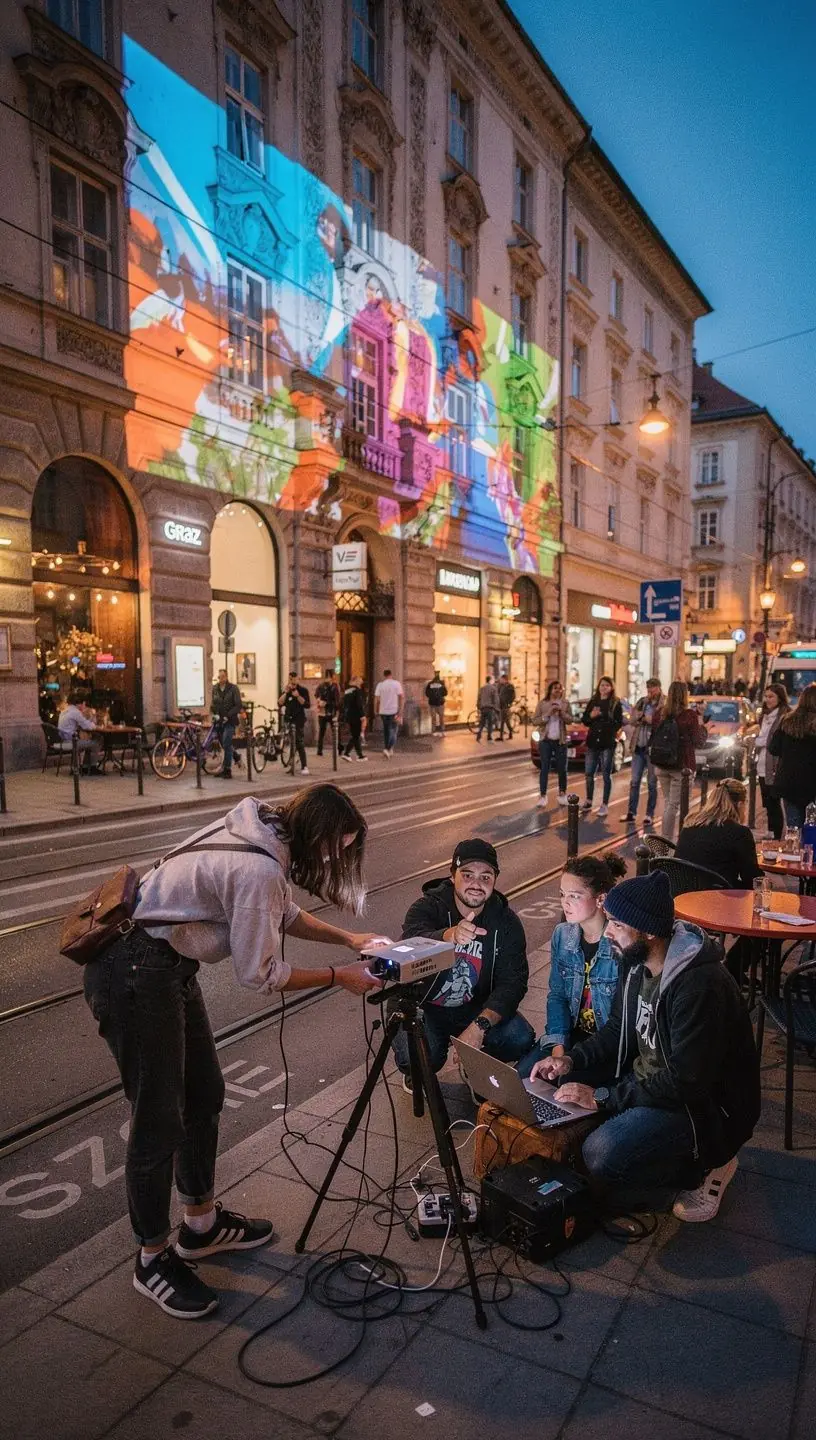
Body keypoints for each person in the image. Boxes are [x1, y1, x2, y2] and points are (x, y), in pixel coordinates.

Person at [82, 786, 391, 1317]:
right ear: (317, 836)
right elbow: (260, 974)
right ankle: (152, 1258)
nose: (335, 861)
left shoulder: (266, 831)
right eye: (336, 851)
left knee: (204, 1093)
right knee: (158, 1118)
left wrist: (349, 938)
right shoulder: (261, 869)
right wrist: (342, 977)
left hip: (165, 965)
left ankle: (200, 1227)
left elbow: (284, 911)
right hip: (133, 969)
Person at [532, 870, 761, 1222]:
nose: (607, 932)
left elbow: (686, 1082)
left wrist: (603, 1097)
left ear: (650, 932)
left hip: (702, 1109)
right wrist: (570, 1061)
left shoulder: (698, 986)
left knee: (601, 1154)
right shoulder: (637, 962)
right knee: (547, 1084)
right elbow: (616, 1031)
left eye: (618, 925)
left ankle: (709, 1166)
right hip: (651, 1084)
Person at [393, 838, 534, 1087]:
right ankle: (417, 1072)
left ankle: (475, 1063)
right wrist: (449, 936)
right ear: (452, 876)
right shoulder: (427, 907)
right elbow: (410, 942)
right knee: (419, 1058)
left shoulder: (506, 922)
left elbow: (513, 983)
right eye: (467, 875)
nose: (476, 885)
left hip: (474, 1006)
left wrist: (479, 1026)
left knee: (520, 1037)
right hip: (427, 1007)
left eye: (485, 877)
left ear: (494, 880)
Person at [517, 854, 626, 1078]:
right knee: (523, 1079)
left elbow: (620, 1024)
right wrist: (558, 1047)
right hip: (570, 1036)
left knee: (565, 1088)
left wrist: (569, 1060)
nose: (565, 902)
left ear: (600, 899)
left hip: (605, 1046)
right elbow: (557, 995)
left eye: (574, 896)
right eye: (562, 894)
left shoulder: (620, 942)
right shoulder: (562, 935)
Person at [675, 778, 761, 888]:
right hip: (718, 897)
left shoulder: (690, 824)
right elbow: (752, 878)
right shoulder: (739, 833)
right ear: (740, 804)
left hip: (682, 893)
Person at [650, 679, 707, 843]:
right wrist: (702, 723)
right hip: (682, 767)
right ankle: (668, 841)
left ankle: (669, 838)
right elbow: (698, 741)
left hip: (661, 765)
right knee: (674, 805)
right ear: (685, 695)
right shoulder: (690, 716)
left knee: (669, 803)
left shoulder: (659, 713)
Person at [768, 682, 816, 831]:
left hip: (790, 783)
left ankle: (797, 853)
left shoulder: (787, 720)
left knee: (794, 828)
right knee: (813, 829)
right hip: (813, 783)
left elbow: (773, 748)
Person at [581, 677, 623, 819]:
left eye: (606, 685)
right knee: (589, 773)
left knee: (606, 774)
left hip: (607, 742)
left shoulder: (615, 703)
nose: (603, 688)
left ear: (611, 688)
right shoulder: (593, 702)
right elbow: (585, 720)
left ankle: (604, 804)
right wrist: (592, 716)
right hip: (593, 741)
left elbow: (618, 723)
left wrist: (603, 716)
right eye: (601, 685)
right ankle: (588, 800)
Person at [623, 678, 662, 826]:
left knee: (652, 782)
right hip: (639, 746)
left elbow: (660, 720)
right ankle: (631, 812)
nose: (650, 692)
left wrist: (648, 718)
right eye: (648, 689)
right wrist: (639, 716)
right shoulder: (642, 701)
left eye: (653, 689)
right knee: (634, 781)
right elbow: (632, 720)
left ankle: (649, 814)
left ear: (658, 688)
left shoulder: (662, 703)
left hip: (653, 748)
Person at [752, 684, 789, 839]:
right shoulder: (764, 716)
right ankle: (771, 832)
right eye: (766, 696)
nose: (767, 700)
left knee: (774, 802)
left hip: (775, 765)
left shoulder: (784, 715)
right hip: (762, 764)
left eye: (771, 696)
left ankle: (777, 836)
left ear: (780, 697)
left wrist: (759, 740)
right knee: (767, 802)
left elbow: (771, 741)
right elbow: (760, 739)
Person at [532, 681, 570, 807]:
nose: (558, 690)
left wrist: (561, 713)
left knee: (562, 769)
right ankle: (543, 796)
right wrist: (548, 714)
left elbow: (571, 719)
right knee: (544, 768)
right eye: (555, 688)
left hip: (561, 740)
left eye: (560, 688)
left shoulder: (565, 703)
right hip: (545, 740)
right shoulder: (543, 703)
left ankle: (562, 794)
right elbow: (535, 721)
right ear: (550, 690)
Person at [57, 693, 103, 772]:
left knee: (91, 741)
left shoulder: (64, 710)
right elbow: (87, 725)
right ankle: (91, 767)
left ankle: (86, 766)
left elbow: (79, 724)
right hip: (71, 742)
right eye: (83, 703)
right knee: (97, 741)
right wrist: (98, 727)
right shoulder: (75, 712)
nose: (84, 706)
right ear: (80, 704)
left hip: (62, 741)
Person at [212, 669, 242, 779]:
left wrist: (227, 716)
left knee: (226, 743)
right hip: (219, 720)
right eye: (219, 677)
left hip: (230, 720)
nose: (221, 679)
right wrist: (214, 714)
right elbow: (213, 703)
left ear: (227, 676)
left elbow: (238, 705)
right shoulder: (215, 688)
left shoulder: (233, 688)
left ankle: (227, 770)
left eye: (223, 677)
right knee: (225, 744)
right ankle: (236, 757)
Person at [279, 671, 311, 775]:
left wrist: (298, 696)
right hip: (288, 720)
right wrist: (285, 692)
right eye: (290, 679)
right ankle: (292, 765)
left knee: (299, 742)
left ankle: (304, 766)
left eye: (294, 679)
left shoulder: (302, 690)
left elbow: (307, 705)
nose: (292, 681)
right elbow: (279, 703)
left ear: (298, 679)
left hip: (298, 720)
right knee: (291, 744)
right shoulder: (286, 690)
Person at [374, 667, 403, 757]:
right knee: (394, 731)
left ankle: (389, 749)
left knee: (386, 731)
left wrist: (376, 710)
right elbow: (401, 697)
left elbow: (377, 699)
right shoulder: (396, 684)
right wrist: (400, 711)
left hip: (383, 711)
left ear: (384, 676)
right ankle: (387, 748)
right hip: (393, 711)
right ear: (391, 675)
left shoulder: (380, 685)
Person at [340, 674, 368, 762]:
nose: (361, 681)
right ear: (356, 680)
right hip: (357, 716)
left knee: (355, 735)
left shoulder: (347, 690)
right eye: (360, 679)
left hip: (349, 716)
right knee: (356, 735)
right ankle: (347, 753)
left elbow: (344, 704)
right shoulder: (357, 691)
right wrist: (363, 716)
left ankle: (360, 755)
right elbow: (359, 705)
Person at [315, 669, 342, 757]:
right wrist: (319, 701)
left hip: (332, 712)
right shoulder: (321, 686)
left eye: (328, 677)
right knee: (321, 731)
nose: (327, 679)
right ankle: (319, 750)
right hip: (322, 713)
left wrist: (327, 703)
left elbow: (337, 702)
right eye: (326, 677)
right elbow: (316, 695)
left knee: (336, 732)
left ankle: (339, 748)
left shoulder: (335, 687)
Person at [476, 675, 500, 742]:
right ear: (490, 680)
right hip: (490, 708)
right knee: (490, 723)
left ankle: (479, 735)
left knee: (482, 723)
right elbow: (496, 699)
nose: (493, 681)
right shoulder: (493, 688)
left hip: (483, 708)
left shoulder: (482, 688)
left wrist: (478, 706)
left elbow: (479, 698)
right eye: (492, 679)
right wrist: (496, 708)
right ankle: (489, 737)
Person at [425, 670, 448, 735]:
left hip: (433, 703)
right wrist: (440, 695)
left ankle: (434, 731)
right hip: (439, 703)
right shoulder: (441, 683)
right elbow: (445, 693)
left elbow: (427, 693)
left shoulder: (430, 684)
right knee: (441, 718)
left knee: (434, 718)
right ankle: (442, 731)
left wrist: (431, 696)